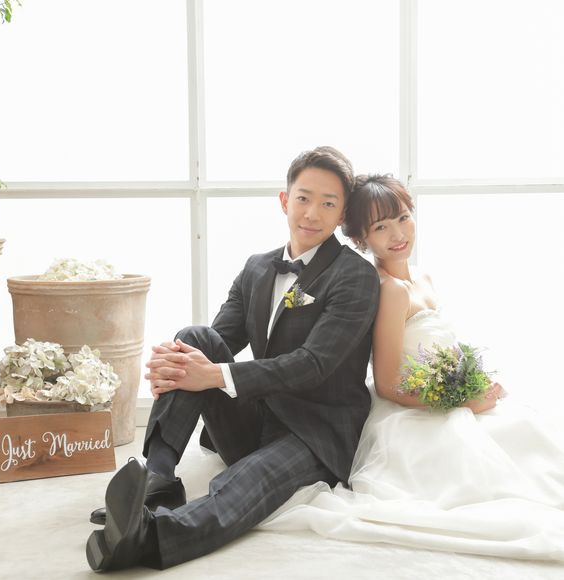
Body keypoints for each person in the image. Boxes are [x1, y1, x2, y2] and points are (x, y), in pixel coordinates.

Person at [85, 147, 380, 571]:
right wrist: (173, 363)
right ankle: (160, 477)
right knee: (193, 338)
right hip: (254, 419)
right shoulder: (257, 268)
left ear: (342, 213)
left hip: (315, 431)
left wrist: (214, 375)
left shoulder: (356, 275)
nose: (312, 213)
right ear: (285, 200)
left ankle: (151, 538)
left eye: (328, 203)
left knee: (245, 482)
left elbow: (313, 364)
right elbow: (217, 340)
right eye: (303, 198)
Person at [258, 173, 564, 562]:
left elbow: (441, 347)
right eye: (380, 227)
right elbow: (388, 384)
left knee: (530, 435)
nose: (397, 234)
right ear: (360, 239)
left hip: (441, 392)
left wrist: (471, 382)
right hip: (409, 411)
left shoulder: (422, 276)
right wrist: (462, 402)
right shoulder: (390, 289)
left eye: (403, 217)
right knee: (497, 472)